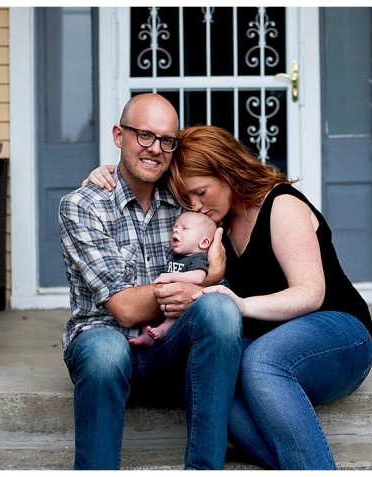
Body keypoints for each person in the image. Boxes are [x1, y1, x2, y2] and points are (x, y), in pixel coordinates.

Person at [86, 124, 372, 470]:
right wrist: (107, 174)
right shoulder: (215, 226)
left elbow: (311, 293)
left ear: (226, 170)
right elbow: (143, 178)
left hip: (337, 332)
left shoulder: (280, 204)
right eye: (186, 200)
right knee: (212, 377)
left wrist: (240, 303)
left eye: (201, 192)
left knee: (260, 363)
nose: (196, 206)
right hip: (267, 339)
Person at [58, 93, 242, 469]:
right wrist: (207, 280)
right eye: (144, 135)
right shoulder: (83, 205)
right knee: (107, 350)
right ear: (118, 135)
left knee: (221, 309)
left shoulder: (183, 202)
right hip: (103, 341)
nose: (155, 149)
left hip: (168, 347)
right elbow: (124, 308)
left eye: (166, 141)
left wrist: (209, 286)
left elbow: (224, 189)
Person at [128, 211, 217, 348]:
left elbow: (198, 277)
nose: (175, 230)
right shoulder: (178, 258)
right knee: (143, 317)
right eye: (174, 228)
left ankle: (162, 331)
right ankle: (149, 334)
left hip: (184, 307)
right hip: (169, 303)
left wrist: (170, 277)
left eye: (184, 228)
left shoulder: (197, 258)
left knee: (173, 316)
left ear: (204, 242)